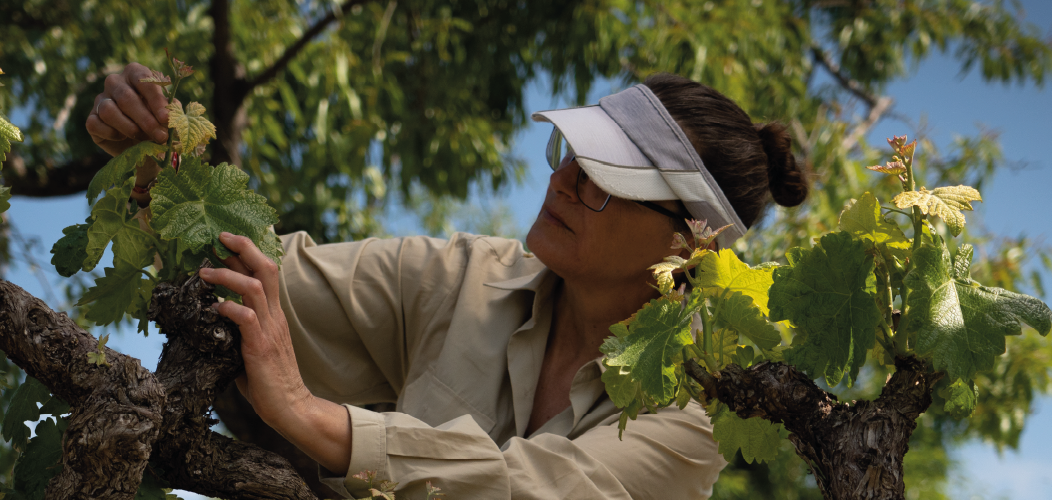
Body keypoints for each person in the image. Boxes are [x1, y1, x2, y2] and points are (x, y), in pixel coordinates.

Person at [87, 64, 809, 499]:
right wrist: (158, 161)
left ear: (690, 242)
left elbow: (539, 491)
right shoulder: (465, 276)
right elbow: (267, 277)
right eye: (570, 153)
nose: (560, 180)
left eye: (602, 181)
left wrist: (309, 418)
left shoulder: (701, 405)